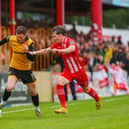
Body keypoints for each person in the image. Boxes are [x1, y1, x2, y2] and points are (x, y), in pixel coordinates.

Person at [27, 25, 101, 113]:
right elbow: (47, 50)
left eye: (55, 36)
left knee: (86, 89)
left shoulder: (70, 41)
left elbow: (72, 49)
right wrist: (33, 53)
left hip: (78, 71)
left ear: (61, 35)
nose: (54, 38)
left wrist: (60, 51)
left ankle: (97, 98)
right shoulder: (57, 44)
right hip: (68, 71)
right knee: (59, 82)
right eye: (53, 37)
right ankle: (64, 107)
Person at [0, 26, 41, 117]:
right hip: (14, 68)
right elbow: (5, 40)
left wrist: (27, 52)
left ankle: (37, 108)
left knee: (33, 91)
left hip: (26, 70)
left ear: (25, 35)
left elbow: (33, 59)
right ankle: (2, 104)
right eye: (18, 37)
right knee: (10, 87)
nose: (19, 39)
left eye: (21, 38)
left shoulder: (30, 43)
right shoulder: (12, 38)